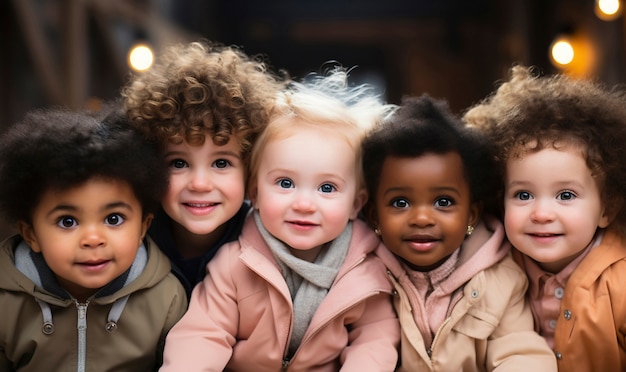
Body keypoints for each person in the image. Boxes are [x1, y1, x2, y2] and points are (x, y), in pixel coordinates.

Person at [159, 69, 400, 371]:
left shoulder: (366, 269)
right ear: (255, 193)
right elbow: (202, 334)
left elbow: (375, 337)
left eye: (327, 188)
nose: (303, 204)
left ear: (355, 204)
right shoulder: (235, 264)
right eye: (285, 183)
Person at [362, 95, 557, 371]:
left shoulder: (502, 281)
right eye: (400, 203)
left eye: (443, 202)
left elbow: (520, 352)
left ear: (471, 215)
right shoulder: (365, 276)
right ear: (374, 215)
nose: (421, 218)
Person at [463, 65, 626, 371]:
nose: (541, 214)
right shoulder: (491, 271)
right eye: (523, 195)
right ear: (500, 197)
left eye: (566, 195)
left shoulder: (621, 283)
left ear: (607, 208)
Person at [0, 106, 188, 371]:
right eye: (68, 221)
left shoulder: (166, 298)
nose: (92, 239)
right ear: (31, 234)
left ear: (143, 227)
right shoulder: (5, 301)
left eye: (113, 219)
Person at [122, 40, 286, 297]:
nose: (200, 184)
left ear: (250, 168)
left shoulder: (269, 244)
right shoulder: (129, 241)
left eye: (221, 163)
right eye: (179, 163)